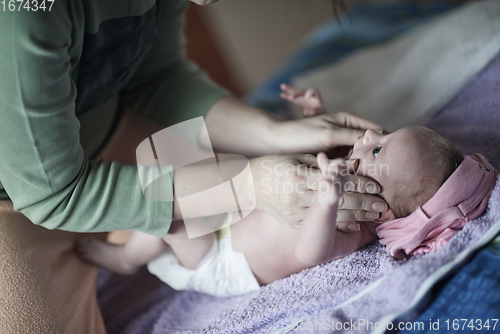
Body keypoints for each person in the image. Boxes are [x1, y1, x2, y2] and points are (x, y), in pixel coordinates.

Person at [0, 1, 387, 331]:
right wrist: (250, 184)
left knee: (185, 174)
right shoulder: (27, 14)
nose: (372, 141)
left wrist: (277, 133)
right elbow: (55, 192)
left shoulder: (360, 223)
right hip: (25, 195)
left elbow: (156, 77)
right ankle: (126, 254)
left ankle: (127, 248)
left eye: (380, 149)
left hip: (120, 136)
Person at [76, 125, 498, 297]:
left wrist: (327, 202)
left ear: (382, 210)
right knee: (179, 151)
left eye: (378, 148)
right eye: (382, 134)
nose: (370, 133)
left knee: (168, 199)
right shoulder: (356, 187)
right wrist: (313, 115)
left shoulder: (352, 225)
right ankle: (137, 239)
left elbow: (311, 253)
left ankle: (125, 258)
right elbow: (315, 155)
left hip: (222, 260)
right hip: (233, 217)